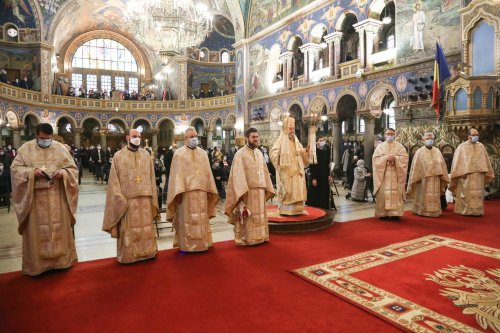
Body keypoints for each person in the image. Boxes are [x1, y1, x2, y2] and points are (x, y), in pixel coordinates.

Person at [11, 123, 79, 276]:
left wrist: (63, 173)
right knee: (37, 232)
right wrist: (32, 172)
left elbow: (73, 169)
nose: (46, 141)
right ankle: (37, 265)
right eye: (42, 139)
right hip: (34, 199)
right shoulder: (25, 149)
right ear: (36, 135)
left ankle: (62, 261)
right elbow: (15, 170)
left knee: (59, 229)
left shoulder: (60, 148)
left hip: (57, 197)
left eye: (48, 139)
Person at [102, 129, 159, 263]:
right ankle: (129, 256)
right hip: (127, 202)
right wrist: (119, 199)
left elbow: (152, 178)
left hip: (145, 199)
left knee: (145, 229)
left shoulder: (146, 155)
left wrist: (153, 198)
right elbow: (114, 181)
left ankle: (148, 252)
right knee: (129, 231)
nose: (137, 139)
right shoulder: (118, 156)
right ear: (127, 137)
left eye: (139, 136)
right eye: (134, 136)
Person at [166, 127, 219, 252]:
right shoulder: (178, 154)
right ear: (185, 139)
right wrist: (176, 193)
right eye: (191, 137)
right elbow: (175, 175)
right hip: (185, 194)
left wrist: (209, 190)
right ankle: (187, 245)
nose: (194, 138)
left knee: (201, 219)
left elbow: (208, 173)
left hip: (201, 193)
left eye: (195, 136)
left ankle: (203, 243)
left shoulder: (203, 153)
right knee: (188, 220)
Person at [225, 128, 274, 246]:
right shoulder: (240, 154)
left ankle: (261, 236)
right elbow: (237, 175)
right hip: (248, 192)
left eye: (257, 137)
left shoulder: (259, 153)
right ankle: (247, 238)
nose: (256, 139)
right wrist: (241, 193)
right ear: (247, 138)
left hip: (260, 191)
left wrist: (267, 186)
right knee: (249, 216)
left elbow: (265, 171)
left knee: (260, 215)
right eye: (253, 137)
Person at [449, 128, 494, 216]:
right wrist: (460, 172)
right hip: (466, 175)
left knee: (478, 194)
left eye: (477, 135)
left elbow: (486, 160)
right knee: (466, 194)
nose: (476, 137)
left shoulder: (481, 146)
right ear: (468, 136)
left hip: (479, 175)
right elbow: (457, 161)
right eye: (473, 135)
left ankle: (477, 211)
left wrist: (486, 172)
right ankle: (465, 210)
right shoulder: (462, 147)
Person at [270, 116, 309, 215]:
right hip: (287, 172)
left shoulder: (296, 140)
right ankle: (287, 210)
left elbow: (300, 152)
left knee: (298, 191)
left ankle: (298, 209)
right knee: (289, 192)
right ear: (285, 129)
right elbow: (273, 152)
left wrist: (306, 151)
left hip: (297, 170)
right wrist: (279, 157)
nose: (292, 130)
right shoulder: (281, 140)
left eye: (293, 128)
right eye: (290, 128)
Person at [407, 133, 450, 217]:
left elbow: (442, 164)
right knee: (423, 195)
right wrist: (416, 177)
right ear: (423, 140)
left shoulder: (437, 151)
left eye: (431, 138)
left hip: (435, 178)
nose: (430, 140)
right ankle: (421, 210)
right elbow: (416, 166)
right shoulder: (419, 152)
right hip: (423, 179)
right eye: (427, 139)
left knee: (435, 194)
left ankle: (435, 211)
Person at [372, 128, 409, 219]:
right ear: (385, 135)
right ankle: (383, 214)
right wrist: (385, 159)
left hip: (396, 174)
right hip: (383, 175)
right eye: (388, 134)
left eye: (392, 134)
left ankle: (395, 214)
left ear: (394, 135)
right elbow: (375, 159)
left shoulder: (400, 146)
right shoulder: (380, 147)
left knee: (396, 193)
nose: (390, 135)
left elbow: (405, 158)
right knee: (383, 193)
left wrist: (396, 158)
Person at [306, 137, 332, 210]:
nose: (322, 142)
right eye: (320, 140)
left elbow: (328, 164)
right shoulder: (314, 151)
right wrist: (313, 178)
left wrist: (329, 175)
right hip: (316, 174)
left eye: (323, 140)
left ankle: (324, 207)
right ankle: (315, 207)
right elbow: (312, 165)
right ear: (317, 142)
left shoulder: (327, 150)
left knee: (324, 191)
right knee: (315, 192)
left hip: (324, 173)